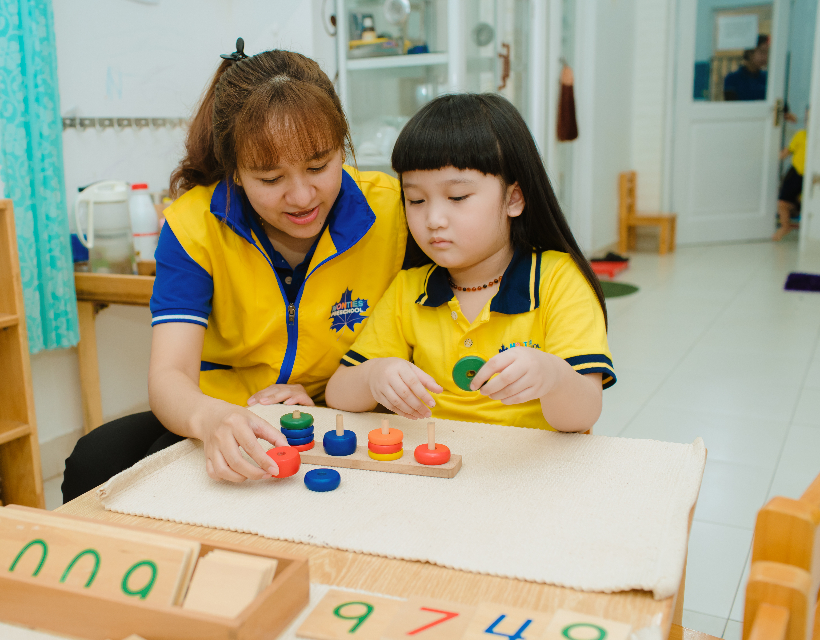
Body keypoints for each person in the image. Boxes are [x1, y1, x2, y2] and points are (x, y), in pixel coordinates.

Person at [62, 41, 407, 500]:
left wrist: (328, 400)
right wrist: (213, 418)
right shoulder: (193, 226)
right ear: (235, 172)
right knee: (94, 460)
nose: (302, 197)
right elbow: (169, 376)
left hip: (345, 409)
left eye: (319, 166)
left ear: (343, 149)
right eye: (271, 178)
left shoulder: (393, 211)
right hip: (225, 409)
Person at [325, 94, 614, 433]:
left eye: (457, 197)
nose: (433, 219)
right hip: (439, 456)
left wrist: (553, 376)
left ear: (514, 198)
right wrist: (374, 376)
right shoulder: (410, 288)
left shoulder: (558, 279)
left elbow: (583, 416)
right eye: (415, 199)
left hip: (534, 460)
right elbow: (337, 394)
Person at [774, 106, 809, 241]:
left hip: (809, 176)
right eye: (807, 118)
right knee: (782, 202)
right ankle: (785, 226)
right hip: (795, 174)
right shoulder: (800, 135)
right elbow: (786, 152)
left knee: (803, 204)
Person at [724, 35, 769, 101]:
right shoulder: (732, 79)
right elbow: (731, 105)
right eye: (762, 52)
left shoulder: (767, 78)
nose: (765, 57)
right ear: (750, 52)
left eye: (767, 52)